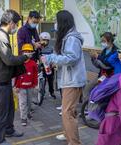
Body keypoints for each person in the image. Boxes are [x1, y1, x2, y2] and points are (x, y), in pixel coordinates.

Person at [0, 9, 32, 145]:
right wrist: (25, 57)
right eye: (16, 24)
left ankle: (9, 130)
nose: (16, 28)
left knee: (9, 108)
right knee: (0, 112)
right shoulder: (0, 37)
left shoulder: (1, 34)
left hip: (3, 79)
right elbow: (9, 60)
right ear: (11, 23)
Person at [41, 10, 86, 145]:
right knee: (69, 111)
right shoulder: (67, 37)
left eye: (56, 20)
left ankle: (74, 142)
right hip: (69, 79)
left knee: (67, 112)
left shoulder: (72, 38)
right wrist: (55, 61)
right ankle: (68, 134)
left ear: (62, 22)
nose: (55, 23)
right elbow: (66, 57)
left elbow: (71, 58)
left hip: (73, 80)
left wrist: (51, 57)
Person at [14, 44, 38, 126]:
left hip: (30, 86)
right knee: (23, 102)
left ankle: (28, 113)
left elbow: (35, 75)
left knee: (29, 101)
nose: (27, 53)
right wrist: (16, 86)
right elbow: (16, 75)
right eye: (25, 51)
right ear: (22, 52)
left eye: (29, 51)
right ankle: (23, 118)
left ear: (31, 53)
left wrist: (35, 84)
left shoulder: (33, 63)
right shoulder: (19, 63)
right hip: (21, 87)